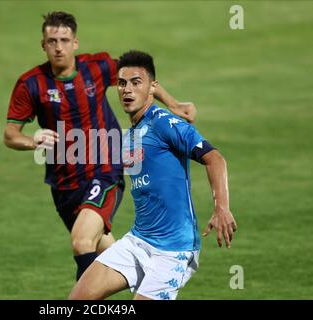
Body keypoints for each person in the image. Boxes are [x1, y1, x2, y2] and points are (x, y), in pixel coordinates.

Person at [4, 12, 196, 281]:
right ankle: (156, 283)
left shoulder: (97, 67)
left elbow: (138, 77)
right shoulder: (31, 84)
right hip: (64, 184)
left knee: (81, 241)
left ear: (75, 43)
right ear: (43, 44)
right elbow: (10, 135)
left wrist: (173, 104)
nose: (58, 47)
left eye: (64, 40)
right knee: (109, 257)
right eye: (51, 41)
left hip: (104, 170)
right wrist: (32, 140)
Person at [69, 50, 237, 300]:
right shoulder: (129, 137)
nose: (127, 90)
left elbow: (215, 159)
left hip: (174, 251)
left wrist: (221, 208)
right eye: (122, 83)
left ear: (152, 87)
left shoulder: (165, 123)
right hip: (138, 241)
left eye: (136, 83)